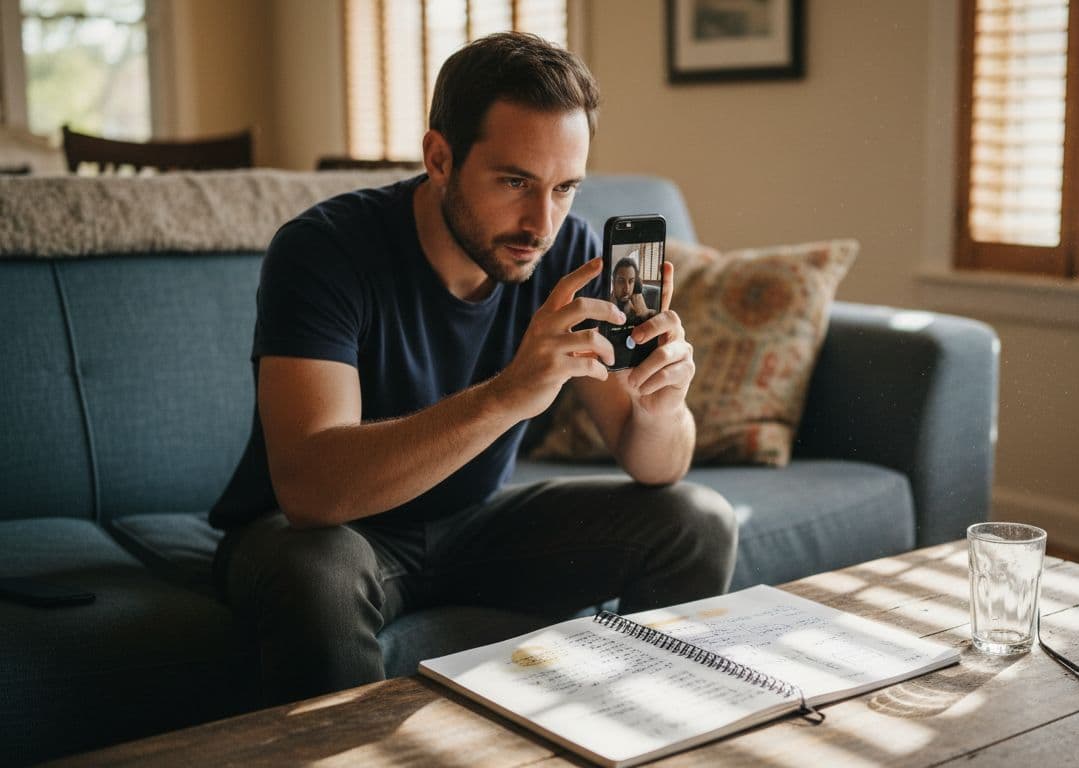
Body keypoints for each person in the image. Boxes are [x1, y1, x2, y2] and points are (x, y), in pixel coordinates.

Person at [208, 32, 736, 706]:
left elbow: (654, 466)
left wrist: (662, 408)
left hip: (471, 530)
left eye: (564, 188)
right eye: (515, 182)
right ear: (439, 157)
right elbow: (311, 492)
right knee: (322, 573)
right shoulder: (324, 252)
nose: (540, 222)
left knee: (696, 521)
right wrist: (510, 394)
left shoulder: (568, 252)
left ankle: (636, 733)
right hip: (325, 538)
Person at [610, 255, 655, 322]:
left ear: (635, 284)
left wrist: (645, 314)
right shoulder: (603, 307)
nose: (626, 289)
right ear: (613, 283)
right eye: (621, 281)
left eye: (631, 281)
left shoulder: (647, 313)